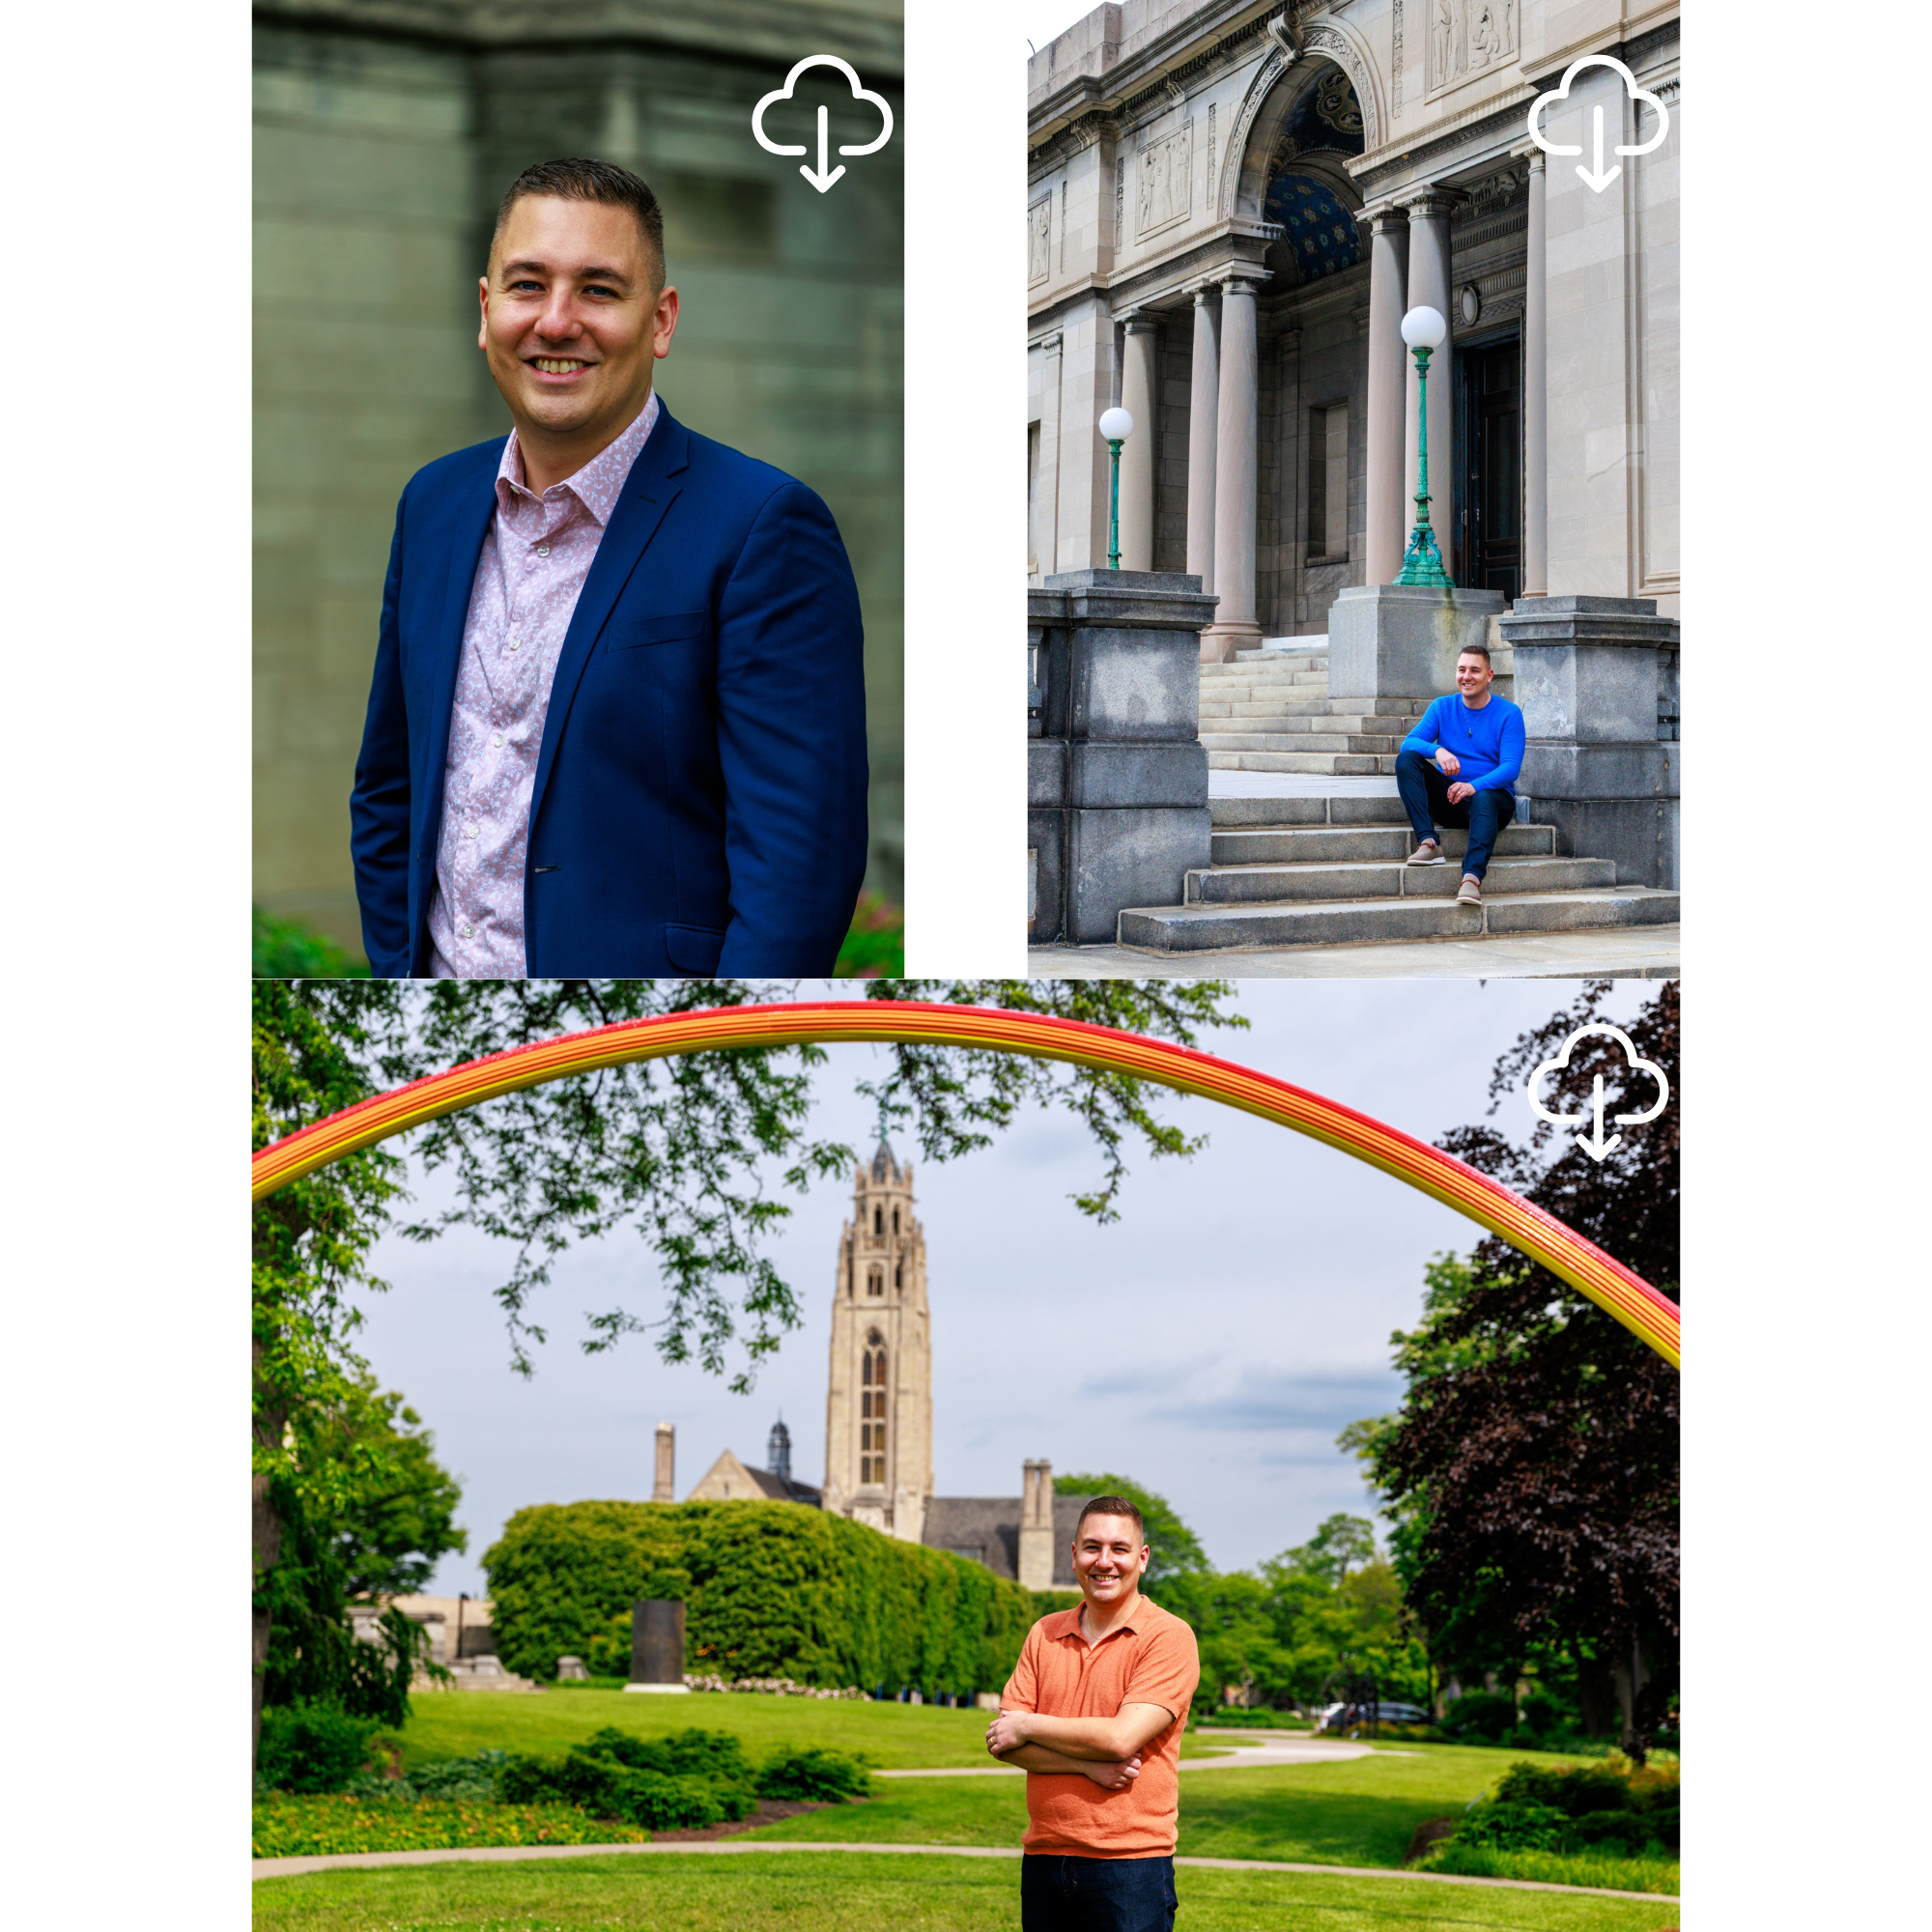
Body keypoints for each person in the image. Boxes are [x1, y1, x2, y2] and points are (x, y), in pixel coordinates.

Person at [350, 157, 868, 978]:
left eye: (597, 289)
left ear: (659, 321)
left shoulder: (763, 527)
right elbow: (388, 787)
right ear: (487, 311)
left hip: (635, 1047)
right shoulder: (433, 506)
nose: (556, 323)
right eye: (528, 286)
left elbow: (799, 871)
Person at [984, 1496, 1202, 1932]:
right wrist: (1086, 1765)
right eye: (1092, 1547)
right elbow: (1003, 1744)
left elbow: (1121, 1739)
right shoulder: (1044, 1632)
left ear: (1141, 1559)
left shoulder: (1169, 1637)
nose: (1104, 1561)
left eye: (1119, 1549)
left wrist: (1029, 1723)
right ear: (1073, 1555)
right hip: (1045, 1858)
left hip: (1130, 1867)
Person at [1395, 641, 1525, 908]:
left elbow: (1511, 768)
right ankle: (1429, 843)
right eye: (1461, 670)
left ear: (1489, 676)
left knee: (1485, 797)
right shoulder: (1443, 707)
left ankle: (1471, 878)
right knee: (1407, 760)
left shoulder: (1509, 713)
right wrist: (1438, 750)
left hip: (1493, 803)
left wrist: (1473, 786)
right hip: (1451, 799)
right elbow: (1409, 743)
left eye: (1475, 671)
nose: (1467, 677)